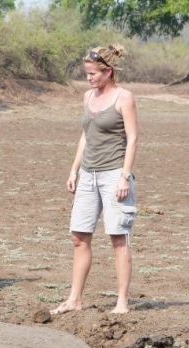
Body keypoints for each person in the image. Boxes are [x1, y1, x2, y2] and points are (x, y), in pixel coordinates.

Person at [51, 44, 138, 315]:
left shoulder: (124, 98)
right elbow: (85, 136)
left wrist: (124, 177)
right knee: (78, 236)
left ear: (108, 71)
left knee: (117, 237)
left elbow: (133, 138)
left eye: (93, 74)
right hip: (88, 174)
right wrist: (74, 169)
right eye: (86, 73)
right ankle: (74, 299)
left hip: (114, 174)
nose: (89, 78)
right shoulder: (88, 97)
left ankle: (122, 301)